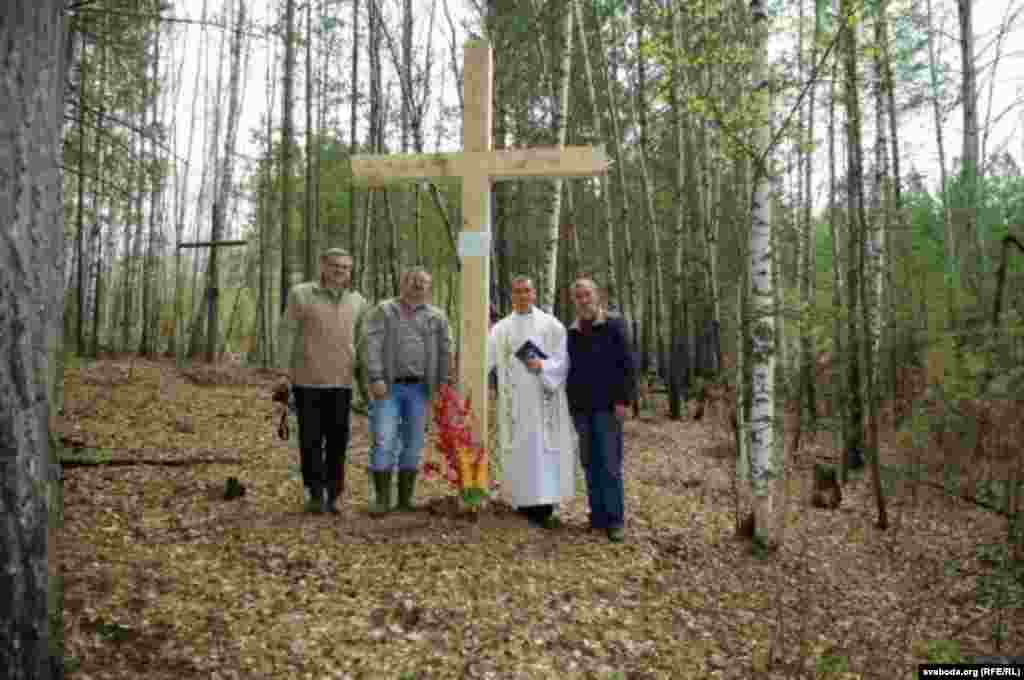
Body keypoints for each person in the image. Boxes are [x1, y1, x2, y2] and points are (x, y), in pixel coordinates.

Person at [277, 248, 367, 514]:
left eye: (346, 267)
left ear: (350, 271)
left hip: (342, 382)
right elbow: (286, 334)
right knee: (310, 440)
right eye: (335, 265)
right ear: (323, 266)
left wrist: (365, 384)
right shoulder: (301, 294)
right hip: (307, 381)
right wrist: (284, 373)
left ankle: (334, 495)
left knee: (339, 441)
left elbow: (363, 345)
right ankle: (315, 494)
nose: (341, 271)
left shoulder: (358, 301)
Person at [360, 267, 451, 515]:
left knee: (413, 443)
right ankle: (382, 500)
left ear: (429, 287)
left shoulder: (437, 317)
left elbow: (445, 351)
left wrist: (443, 383)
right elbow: (371, 344)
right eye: (413, 281)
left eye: (423, 282)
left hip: (421, 389)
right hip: (388, 387)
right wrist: (375, 376)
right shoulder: (385, 310)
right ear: (403, 283)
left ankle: (404, 500)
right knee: (384, 439)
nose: (418, 285)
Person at [488, 276, 575, 529]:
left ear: (534, 294)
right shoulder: (502, 328)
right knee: (521, 450)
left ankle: (545, 506)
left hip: (543, 398)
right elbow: (486, 356)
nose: (522, 295)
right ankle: (522, 502)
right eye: (517, 292)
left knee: (543, 451)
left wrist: (544, 366)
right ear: (512, 296)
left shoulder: (551, 325)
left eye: (527, 291)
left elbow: (563, 358)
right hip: (515, 402)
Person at [566, 277, 637, 543]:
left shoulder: (614, 324)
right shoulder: (571, 331)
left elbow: (628, 364)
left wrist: (625, 400)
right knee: (589, 463)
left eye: (587, 295)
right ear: (574, 301)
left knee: (610, 464)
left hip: (608, 407)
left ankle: (615, 520)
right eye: (578, 296)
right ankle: (596, 518)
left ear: (597, 297)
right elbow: (568, 370)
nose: (583, 300)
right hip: (581, 409)